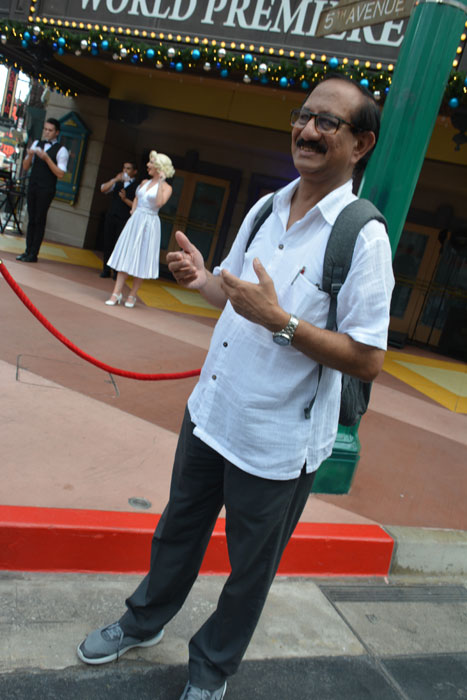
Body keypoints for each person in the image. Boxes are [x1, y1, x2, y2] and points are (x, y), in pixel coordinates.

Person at [77, 76, 394, 699]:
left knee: (250, 570)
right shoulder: (267, 207)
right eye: (303, 116)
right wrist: (202, 279)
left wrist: (282, 322)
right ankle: (143, 621)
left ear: (361, 144)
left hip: (277, 440)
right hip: (212, 412)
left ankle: (211, 670)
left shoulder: (363, 237)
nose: (306, 130)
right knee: (178, 530)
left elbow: (367, 358)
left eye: (327, 123)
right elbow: (234, 292)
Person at [104, 151, 174, 308]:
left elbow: (159, 203)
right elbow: (137, 197)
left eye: (152, 163)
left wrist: (161, 182)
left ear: (159, 167)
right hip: (136, 220)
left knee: (142, 257)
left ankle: (132, 295)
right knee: (126, 254)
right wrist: (133, 211)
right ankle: (116, 293)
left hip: (150, 223)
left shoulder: (167, 188)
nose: (148, 165)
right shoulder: (143, 182)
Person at [16, 118, 69, 263]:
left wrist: (46, 158)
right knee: (31, 218)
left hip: (46, 188)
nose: (46, 132)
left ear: (57, 132)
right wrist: (30, 154)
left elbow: (60, 173)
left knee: (39, 219)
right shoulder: (36, 144)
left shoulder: (61, 150)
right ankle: (27, 250)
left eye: (50, 130)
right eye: (45, 129)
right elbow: (25, 166)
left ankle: (34, 253)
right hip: (33, 185)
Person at [99, 162, 138, 278]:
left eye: (128, 169)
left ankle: (116, 272)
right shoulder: (117, 182)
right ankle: (106, 270)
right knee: (108, 242)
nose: (125, 170)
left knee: (119, 245)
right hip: (111, 216)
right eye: (124, 168)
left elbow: (137, 206)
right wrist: (115, 179)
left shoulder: (137, 186)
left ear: (134, 171)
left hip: (124, 219)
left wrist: (125, 199)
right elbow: (103, 189)